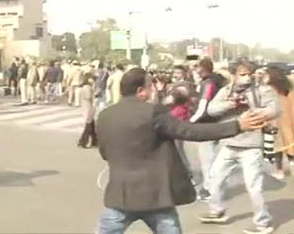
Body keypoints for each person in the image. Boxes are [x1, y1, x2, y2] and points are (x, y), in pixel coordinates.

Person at [96, 67, 267, 234]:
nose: (155, 89)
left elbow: (104, 153)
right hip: (156, 197)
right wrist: (237, 125)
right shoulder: (152, 112)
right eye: (151, 85)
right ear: (141, 91)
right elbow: (190, 131)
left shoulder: (105, 115)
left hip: (121, 196)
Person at [199, 59, 280, 234]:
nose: (247, 78)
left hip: (251, 146)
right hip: (228, 143)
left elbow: (274, 109)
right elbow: (212, 110)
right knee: (214, 179)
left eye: (249, 74)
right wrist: (231, 104)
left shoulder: (262, 91)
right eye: (243, 75)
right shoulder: (226, 91)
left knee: (254, 187)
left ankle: (263, 223)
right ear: (234, 75)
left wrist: (254, 109)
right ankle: (217, 211)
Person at [189, 57, 224, 201]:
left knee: (207, 160)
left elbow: (203, 104)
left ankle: (210, 190)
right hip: (216, 123)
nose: (196, 70)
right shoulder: (216, 81)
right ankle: (213, 187)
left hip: (206, 124)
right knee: (213, 159)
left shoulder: (208, 83)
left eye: (197, 67)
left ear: (203, 68)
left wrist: (191, 121)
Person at [263, 67, 294, 180]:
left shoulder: (270, 89)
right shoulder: (288, 88)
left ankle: (279, 171)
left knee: (278, 148)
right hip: (288, 119)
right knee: (290, 144)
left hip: (275, 120)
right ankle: (290, 166)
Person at [77, 63, 97, 148]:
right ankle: (83, 141)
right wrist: (94, 91)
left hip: (86, 107)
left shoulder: (83, 87)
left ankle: (95, 141)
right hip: (88, 108)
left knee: (92, 126)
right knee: (88, 127)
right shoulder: (87, 87)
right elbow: (88, 97)